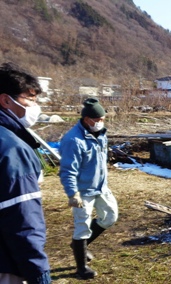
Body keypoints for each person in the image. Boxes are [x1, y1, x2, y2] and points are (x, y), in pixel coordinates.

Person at [0, 62, 52, 283]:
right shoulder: (11, 149)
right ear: (5, 100)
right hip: (6, 261)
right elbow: (22, 219)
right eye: (29, 98)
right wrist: (39, 274)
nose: (35, 106)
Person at [59, 98, 118, 280]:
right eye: (98, 119)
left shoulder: (100, 134)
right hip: (83, 191)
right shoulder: (73, 140)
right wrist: (72, 193)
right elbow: (68, 170)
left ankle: (80, 245)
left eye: (103, 119)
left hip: (101, 187)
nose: (101, 122)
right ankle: (81, 268)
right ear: (87, 119)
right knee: (82, 226)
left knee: (110, 216)